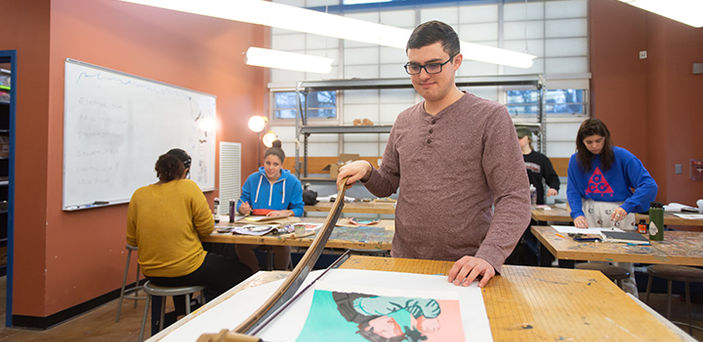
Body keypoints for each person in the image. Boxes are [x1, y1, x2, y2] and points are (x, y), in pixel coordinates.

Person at [337, 21, 531, 288]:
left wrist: (489, 256)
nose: (423, 75)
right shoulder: (404, 120)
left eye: (434, 64)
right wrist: (369, 171)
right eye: (414, 66)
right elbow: (388, 184)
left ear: (457, 61)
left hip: (466, 269)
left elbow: (514, 197)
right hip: (405, 262)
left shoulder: (491, 117)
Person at [126, 148, 252, 317]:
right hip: (185, 270)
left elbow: (133, 241)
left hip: (152, 273)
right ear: (185, 171)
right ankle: (212, 315)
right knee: (242, 272)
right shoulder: (188, 187)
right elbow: (207, 228)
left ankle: (184, 311)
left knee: (206, 261)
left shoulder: (138, 195)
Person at [567, 118, 657, 295]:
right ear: (581, 143)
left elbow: (649, 185)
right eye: (589, 142)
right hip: (589, 214)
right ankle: (592, 305)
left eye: (598, 141)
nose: (594, 146)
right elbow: (572, 190)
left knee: (624, 269)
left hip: (619, 213)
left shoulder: (622, 156)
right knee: (592, 267)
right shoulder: (576, 160)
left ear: (606, 138)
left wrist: (628, 206)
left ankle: (631, 305)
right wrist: (577, 213)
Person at [236, 140, 304, 271]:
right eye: (268, 163)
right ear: (263, 162)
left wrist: (284, 213)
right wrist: (241, 207)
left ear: (282, 165)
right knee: (240, 246)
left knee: (283, 246)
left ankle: (279, 280)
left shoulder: (293, 182)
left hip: (279, 227)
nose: (270, 168)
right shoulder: (253, 179)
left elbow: (299, 209)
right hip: (255, 226)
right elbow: (241, 201)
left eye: (275, 164)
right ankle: (255, 276)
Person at [517, 127, 560, 205]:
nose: (517, 140)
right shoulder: (511, 158)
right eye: (515, 138)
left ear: (528, 139)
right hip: (517, 202)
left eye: (520, 138)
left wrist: (553, 187)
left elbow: (552, 177)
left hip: (536, 202)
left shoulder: (541, 159)